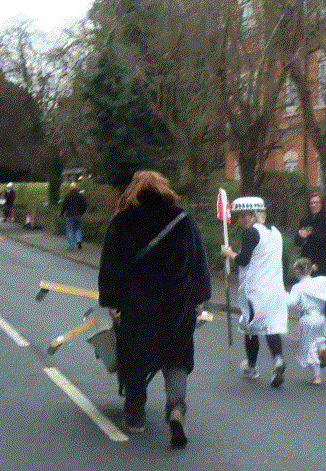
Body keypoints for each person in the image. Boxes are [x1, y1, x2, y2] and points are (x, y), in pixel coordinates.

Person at [98, 171, 210, 447]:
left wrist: (112, 301)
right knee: (177, 356)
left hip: (136, 306)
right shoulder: (182, 221)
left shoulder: (121, 222)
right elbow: (199, 262)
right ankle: (175, 408)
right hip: (176, 306)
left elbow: (109, 265)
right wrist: (200, 297)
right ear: (164, 190)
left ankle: (135, 413)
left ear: (133, 191)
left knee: (134, 356)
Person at [220, 196, 290, 387]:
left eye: (246, 215)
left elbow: (243, 260)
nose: (242, 219)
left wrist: (229, 253)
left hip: (256, 290)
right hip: (275, 289)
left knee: (250, 327)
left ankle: (251, 366)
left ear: (255, 214)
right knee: (271, 326)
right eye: (240, 215)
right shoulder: (276, 232)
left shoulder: (250, 233)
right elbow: (284, 259)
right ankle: (278, 359)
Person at [294, 191, 326, 279]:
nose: (313, 205)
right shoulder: (304, 220)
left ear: (321, 204)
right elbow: (297, 241)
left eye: (316, 203)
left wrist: (310, 234)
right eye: (311, 203)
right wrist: (301, 237)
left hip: (323, 262)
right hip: (306, 261)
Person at [60, 183, 87, 250]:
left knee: (70, 230)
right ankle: (79, 241)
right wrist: (82, 212)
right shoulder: (80, 196)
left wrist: (62, 214)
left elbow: (64, 206)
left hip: (70, 215)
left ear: (70, 188)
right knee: (78, 228)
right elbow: (84, 205)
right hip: (78, 215)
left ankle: (71, 246)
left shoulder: (68, 196)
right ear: (76, 188)